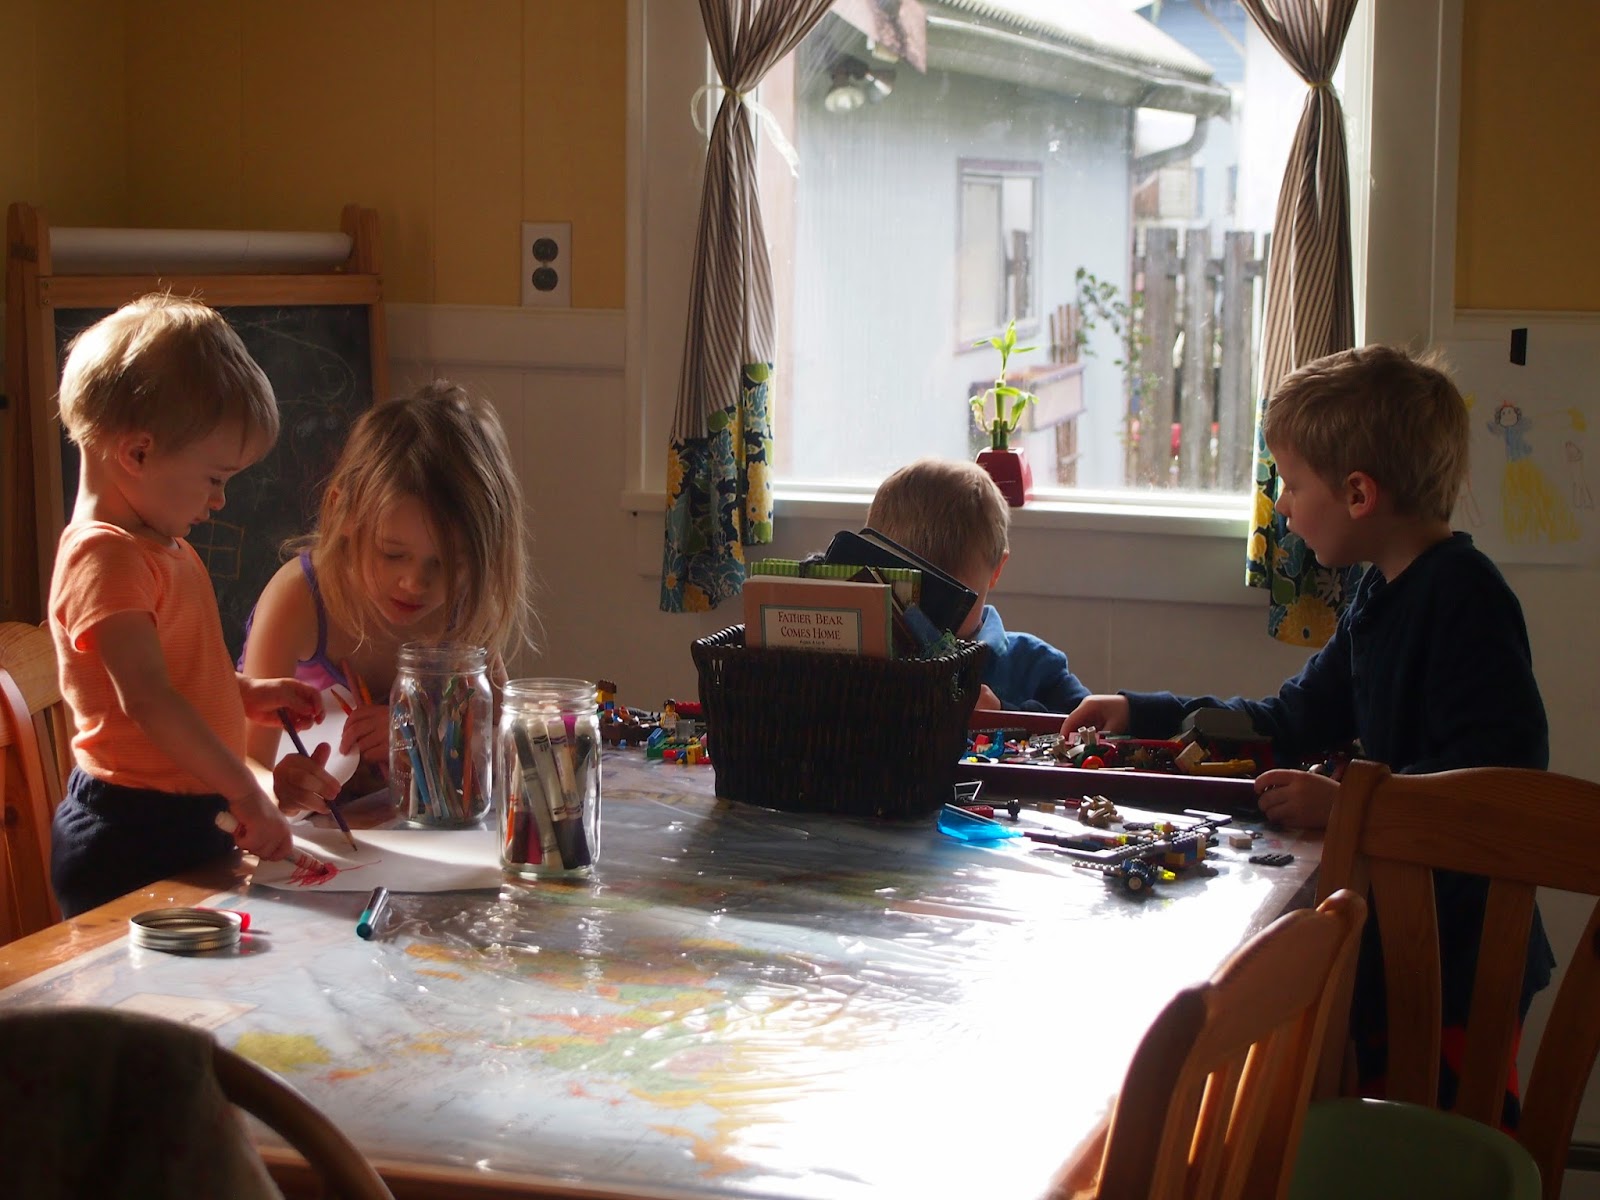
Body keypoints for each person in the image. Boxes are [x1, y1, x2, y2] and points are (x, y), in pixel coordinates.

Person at [1061, 344, 1551, 1126]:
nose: (1285, 507)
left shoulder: (1466, 597)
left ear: (1358, 493)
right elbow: (1291, 720)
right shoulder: (1375, 592)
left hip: (1464, 957)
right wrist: (1140, 711)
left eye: (1292, 484)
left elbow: (1501, 786)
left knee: (1439, 1152)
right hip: (1393, 936)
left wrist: (1351, 805)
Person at [48, 294, 314, 917]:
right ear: (138, 453)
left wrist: (240, 694)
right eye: (215, 478)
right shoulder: (104, 557)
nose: (220, 501)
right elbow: (146, 700)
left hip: (187, 816)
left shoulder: (162, 546)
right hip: (130, 833)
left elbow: (171, 679)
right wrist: (246, 792)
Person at [239, 380, 533, 812]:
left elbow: (505, 739)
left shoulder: (462, 605)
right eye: (392, 554)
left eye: (447, 563)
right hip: (304, 835)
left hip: (409, 832)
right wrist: (279, 788)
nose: (415, 583)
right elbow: (243, 764)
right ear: (342, 511)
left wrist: (421, 737)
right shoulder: (299, 599)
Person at [866, 457, 1090, 712]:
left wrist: (1004, 713)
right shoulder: (868, 657)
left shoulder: (1034, 664)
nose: (925, 617)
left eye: (947, 599)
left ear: (996, 570)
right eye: (906, 596)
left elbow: (1092, 724)